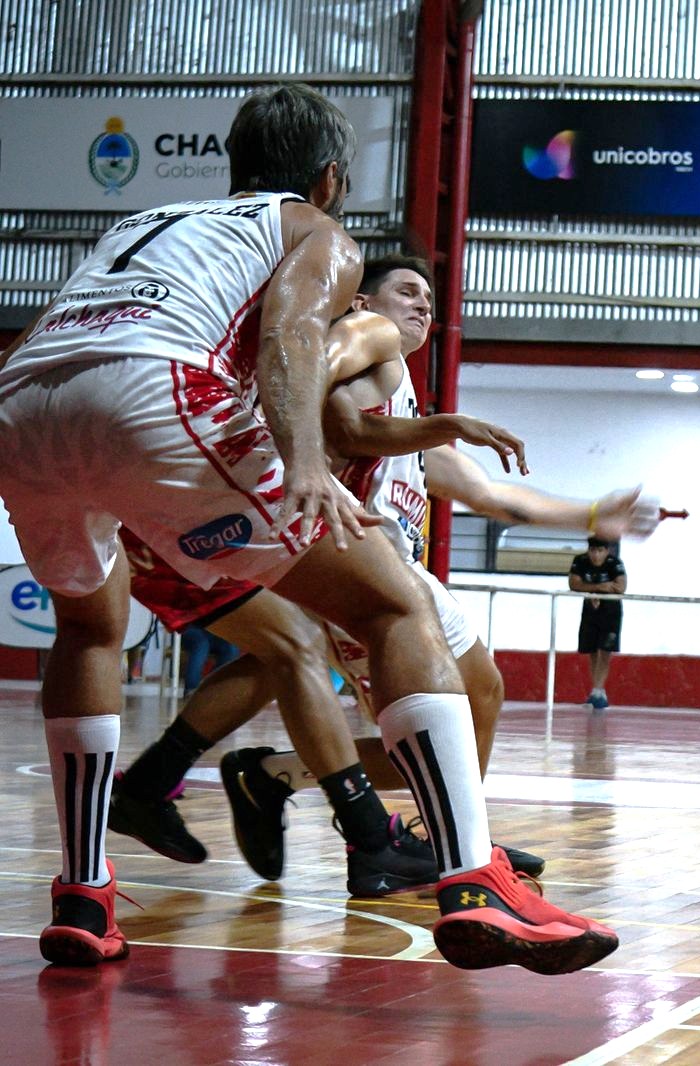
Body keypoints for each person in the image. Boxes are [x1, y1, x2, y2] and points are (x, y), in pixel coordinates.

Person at [0, 84, 615, 972]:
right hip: (155, 391)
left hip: (25, 404)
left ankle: (83, 894)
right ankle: (471, 878)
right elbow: (291, 332)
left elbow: (51, 340)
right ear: (330, 178)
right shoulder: (315, 233)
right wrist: (307, 459)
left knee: (89, 628)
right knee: (393, 605)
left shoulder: (151, 223)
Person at [108, 255, 658, 896]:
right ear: (364, 304)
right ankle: (435, 838)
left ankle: (301, 786)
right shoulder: (368, 345)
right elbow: (333, 417)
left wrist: (595, 514)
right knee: (432, 703)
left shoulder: (403, 409)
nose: (424, 304)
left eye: (430, 296)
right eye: (407, 291)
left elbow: (499, 500)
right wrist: (443, 425)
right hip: (353, 573)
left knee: (459, 697)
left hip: (377, 573)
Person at [569, 537, 625, 710]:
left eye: (600, 551)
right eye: (593, 550)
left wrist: (592, 587)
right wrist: (602, 586)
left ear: (606, 551)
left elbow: (620, 587)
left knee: (605, 650)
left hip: (611, 612)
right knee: (591, 649)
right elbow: (574, 583)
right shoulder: (580, 561)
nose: (596, 555)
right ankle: (595, 690)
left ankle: (600, 689)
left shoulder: (614, 563)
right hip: (589, 611)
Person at [180, 627, 240, 696]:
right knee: (201, 643)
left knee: (232, 648)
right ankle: (191, 690)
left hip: (216, 631)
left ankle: (210, 687)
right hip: (192, 627)